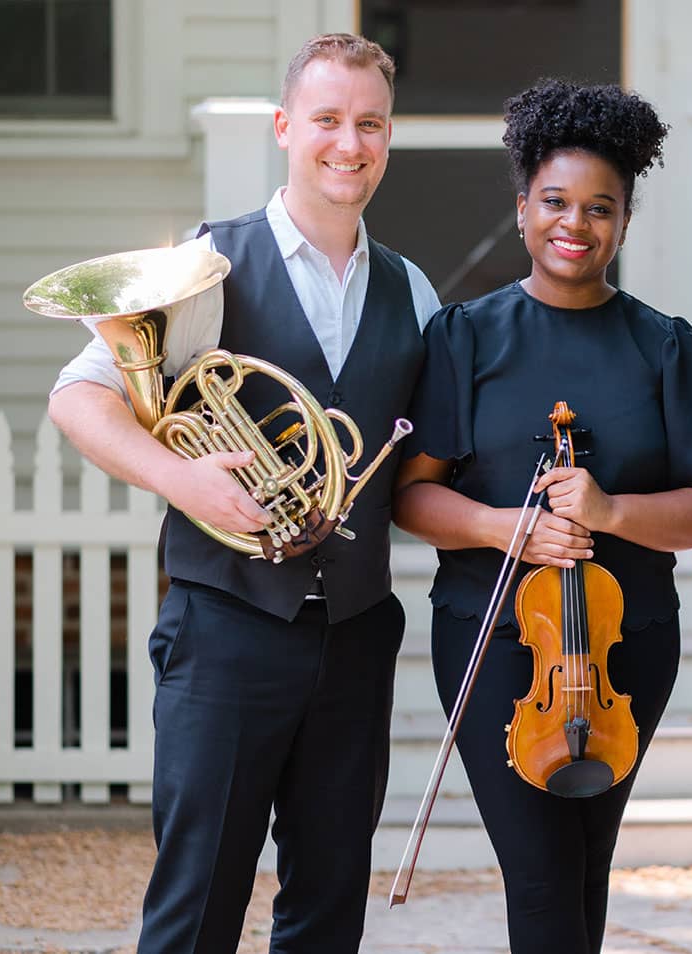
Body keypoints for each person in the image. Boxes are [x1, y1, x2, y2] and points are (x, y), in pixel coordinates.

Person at [47, 34, 440, 953]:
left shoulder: (413, 290)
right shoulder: (203, 266)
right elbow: (80, 397)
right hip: (226, 628)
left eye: (370, 124)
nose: (349, 143)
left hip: (354, 632)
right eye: (328, 120)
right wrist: (187, 478)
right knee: (197, 905)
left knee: (328, 904)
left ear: (389, 137)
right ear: (283, 128)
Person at [392, 80, 692, 954]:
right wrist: (505, 527)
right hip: (497, 638)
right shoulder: (465, 337)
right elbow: (412, 495)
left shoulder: (664, 345)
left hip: (626, 646)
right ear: (521, 209)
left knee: (586, 859)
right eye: (554, 201)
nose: (574, 223)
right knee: (542, 869)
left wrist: (612, 508)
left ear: (623, 221)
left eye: (600, 207)